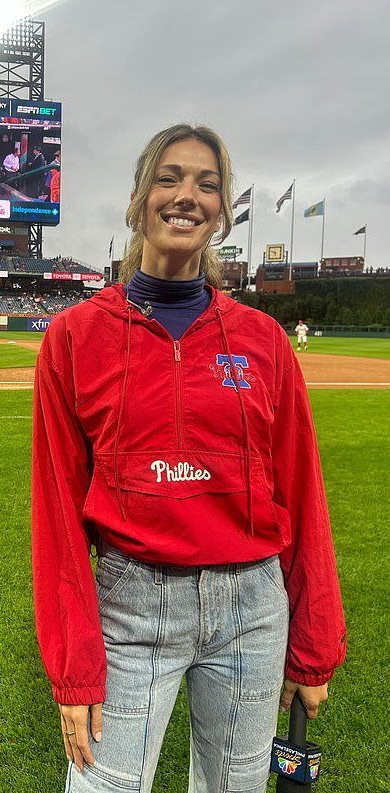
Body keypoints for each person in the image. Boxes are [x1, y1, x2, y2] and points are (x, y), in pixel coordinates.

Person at [31, 123, 346, 793]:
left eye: (208, 184)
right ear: (141, 197)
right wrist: (74, 667)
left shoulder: (263, 341)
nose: (187, 195)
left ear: (222, 210)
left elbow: (301, 488)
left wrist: (314, 644)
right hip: (130, 605)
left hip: (253, 608)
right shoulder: (74, 337)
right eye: (170, 177)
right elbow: (57, 514)